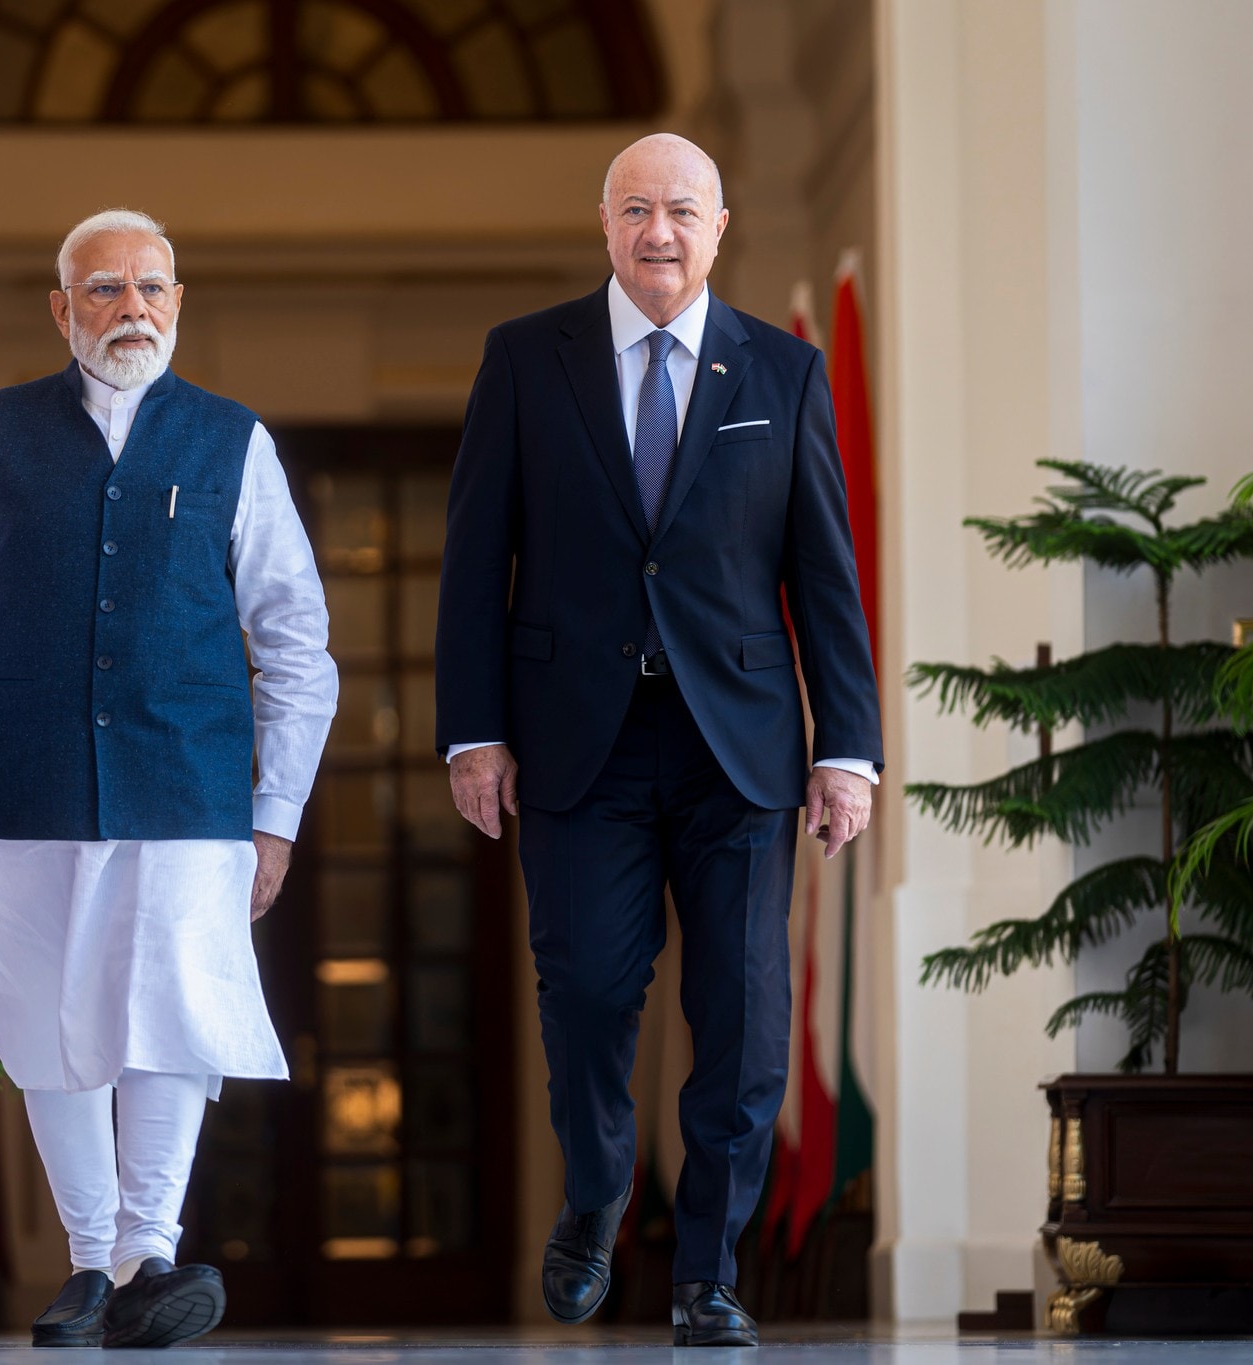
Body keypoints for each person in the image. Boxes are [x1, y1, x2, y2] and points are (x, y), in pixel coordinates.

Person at [434, 134, 882, 1348]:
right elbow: (476, 561)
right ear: (602, 223)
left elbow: (823, 577)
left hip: (736, 745)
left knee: (739, 1016)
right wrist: (470, 733)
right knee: (584, 992)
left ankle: (706, 1271)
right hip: (574, 742)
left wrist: (847, 748)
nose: (658, 233)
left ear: (718, 228)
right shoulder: (525, 361)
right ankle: (594, 1195)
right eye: (635, 210)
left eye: (681, 211)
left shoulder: (781, 372)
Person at [0, 209, 335, 1349]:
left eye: (151, 287)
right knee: (48, 1017)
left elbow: (292, 639)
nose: (131, 308)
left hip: (186, 784)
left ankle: (146, 1250)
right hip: (16, 781)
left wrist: (275, 813)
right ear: (60, 307)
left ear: (177, 301)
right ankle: (97, 1264)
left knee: (170, 1012)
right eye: (103, 290)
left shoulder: (233, 442)